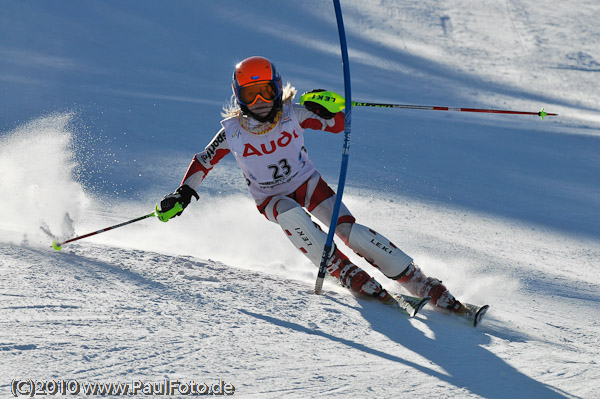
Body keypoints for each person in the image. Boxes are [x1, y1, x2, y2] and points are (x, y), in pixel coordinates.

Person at [156, 56, 465, 313]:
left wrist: (327, 107)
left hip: (308, 183)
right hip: (271, 197)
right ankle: (343, 271)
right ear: (239, 97)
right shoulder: (233, 132)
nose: (261, 102)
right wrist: (183, 193)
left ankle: (419, 281)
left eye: (265, 91)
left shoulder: (293, 114)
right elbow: (204, 160)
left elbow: (337, 124)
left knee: (348, 230)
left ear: (277, 89)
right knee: (291, 215)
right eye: (251, 95)